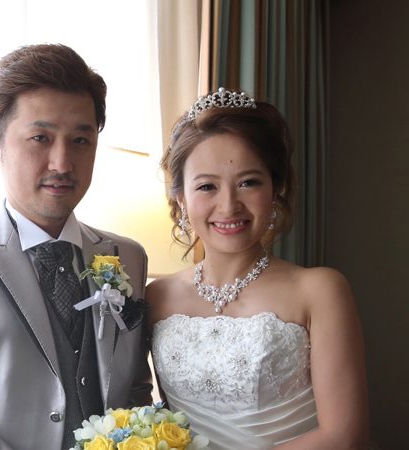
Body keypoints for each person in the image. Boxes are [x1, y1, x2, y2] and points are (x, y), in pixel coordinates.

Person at [0, 43, 153, 450]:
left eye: (81, 140)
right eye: (40, 138)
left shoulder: (128, 257)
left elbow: (134, 393)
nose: (62, 163)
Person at [147, 88, 368, 449]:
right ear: (181, 198)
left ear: (276, 187)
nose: (228, 206)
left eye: (248, 182)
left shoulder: (320, 290)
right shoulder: (157, 297)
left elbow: (344, 436)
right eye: (207, 186)